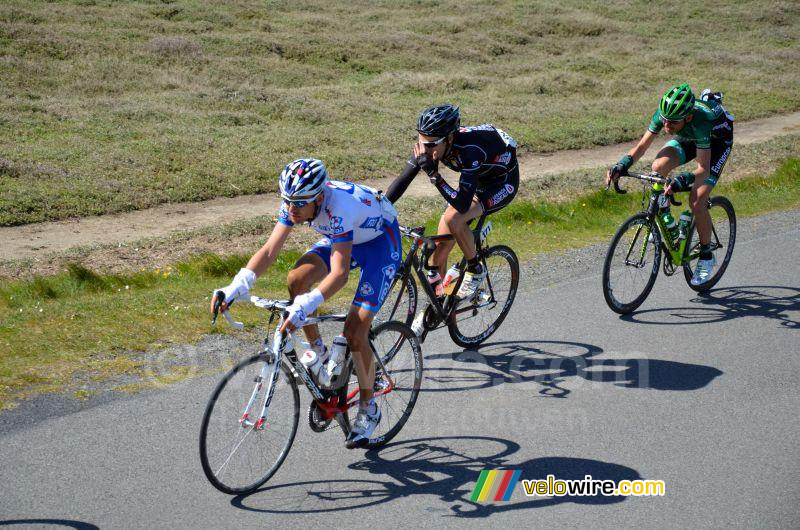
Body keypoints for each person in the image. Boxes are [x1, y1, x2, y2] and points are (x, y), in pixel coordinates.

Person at [211, 158, 401, 448]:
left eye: (298, 204)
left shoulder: (340, 208)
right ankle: (319, 353)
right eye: (287, 201)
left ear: (320, 197)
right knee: (296, 280)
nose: (291, 209)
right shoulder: (297, 200)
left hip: (379, 245)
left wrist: (304, 306)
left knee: (355, 330)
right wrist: (237, 285)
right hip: (344, 238)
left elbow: (339, 276)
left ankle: (368, 407)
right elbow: (270, 249)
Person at [386, 104, 519, 305]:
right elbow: (403, 180)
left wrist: (434, 175)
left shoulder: (469, 151)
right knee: (439, 251)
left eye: (431, 144)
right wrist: (381, 207)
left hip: (501, 182)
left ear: (449, 138)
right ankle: (440, 304)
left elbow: (463, 205)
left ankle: (476, 269)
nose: (425, 149)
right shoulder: (431, 143)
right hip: (476, 177)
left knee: (454, 217)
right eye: (421, 141)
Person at [606, 83, 734, 285]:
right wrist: (622, 164)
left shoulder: (701, 123)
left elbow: (703, 169)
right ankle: (667, 221)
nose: (666, 127)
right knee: (658, 167)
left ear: (688, 117)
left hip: (717, 143)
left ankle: (707, 255)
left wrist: (683, 179)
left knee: (697, 199)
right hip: (689, 135)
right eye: (665, 121)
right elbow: (641, 147)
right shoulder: (666, 115)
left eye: (672, 123)